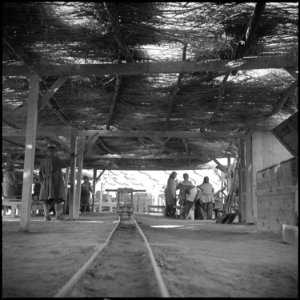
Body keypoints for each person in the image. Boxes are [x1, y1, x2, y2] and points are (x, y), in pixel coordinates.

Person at [39, 144, 69, 221]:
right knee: (57, 199)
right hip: (55, 182)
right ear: (55, 152)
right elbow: (66, 164)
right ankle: (58, 216)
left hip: (45, 183)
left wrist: (42, 182)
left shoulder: (43, 161)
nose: (52, 152)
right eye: (52, 151)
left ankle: (46, 216)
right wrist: (70, 158)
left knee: (45, 199)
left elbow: (40, 173)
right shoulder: (56, 159)